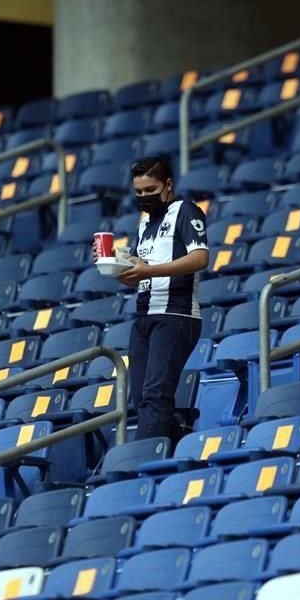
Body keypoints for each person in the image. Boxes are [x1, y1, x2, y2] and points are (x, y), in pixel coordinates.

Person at [93, 156, 209, 442]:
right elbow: (141, 270)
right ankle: (177, 441)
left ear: (168, 185)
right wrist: (118, 265)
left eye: (150, 190)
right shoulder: (144, 224)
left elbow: (200, 257)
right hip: (145, 316)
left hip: (176, 316)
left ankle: (140, 465)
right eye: (139, 192)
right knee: (141, 399)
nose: (144, 197)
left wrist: (149, 270)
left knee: (156, 395)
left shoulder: (186, 210)